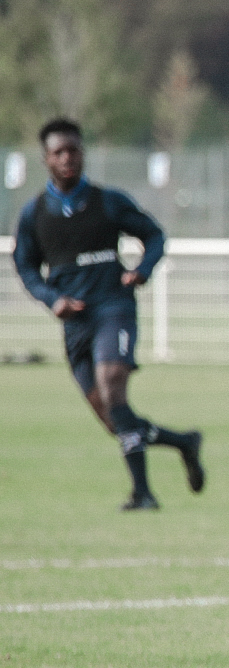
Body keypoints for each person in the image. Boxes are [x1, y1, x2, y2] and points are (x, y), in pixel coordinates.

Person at [11, 118, 204, 510]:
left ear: (83, 153)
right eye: (59, 152)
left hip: (113, 308)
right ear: (46, 159)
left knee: (113, 384)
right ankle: (183, 442)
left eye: (73, 150)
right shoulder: (34, 214)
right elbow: (26, 267)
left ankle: (143, 494)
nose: (67, 158)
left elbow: (154, 235)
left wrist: (143, 269)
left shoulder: (108, 201)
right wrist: (52, 299)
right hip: (75, 324)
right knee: (114, 420)